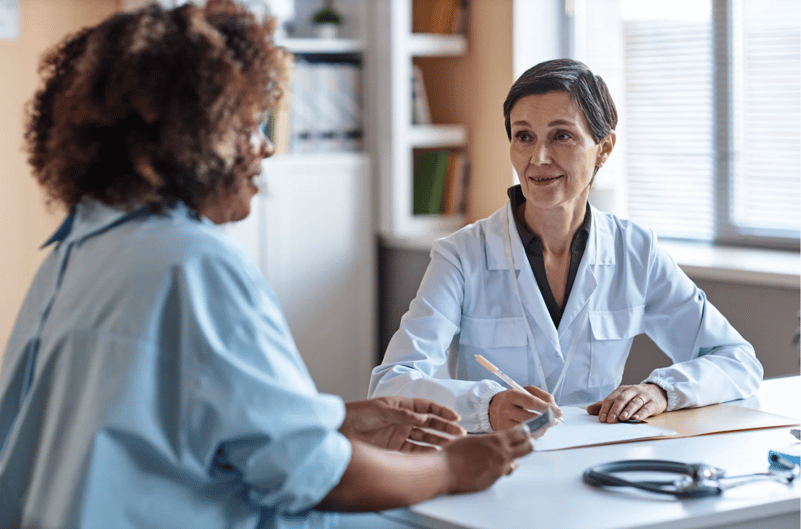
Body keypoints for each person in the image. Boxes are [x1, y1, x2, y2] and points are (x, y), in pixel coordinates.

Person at [0, 2, 538, 528]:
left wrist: (332, 421)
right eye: (248, 125)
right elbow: (314, 476)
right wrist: (449, 467)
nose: (265, 148)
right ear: (188, 136)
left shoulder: (76, 252)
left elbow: (163, 423)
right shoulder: (192, 264)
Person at [369, 58, 763, 433]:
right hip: (497, 464)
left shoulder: (635, 251)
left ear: (603, 149)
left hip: (597, 467)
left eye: (562, 136)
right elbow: (391, 385)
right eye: (524, 136)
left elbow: (737, 360)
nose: (538, 158)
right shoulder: (462, 255)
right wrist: (486, 405)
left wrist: (662, 391)